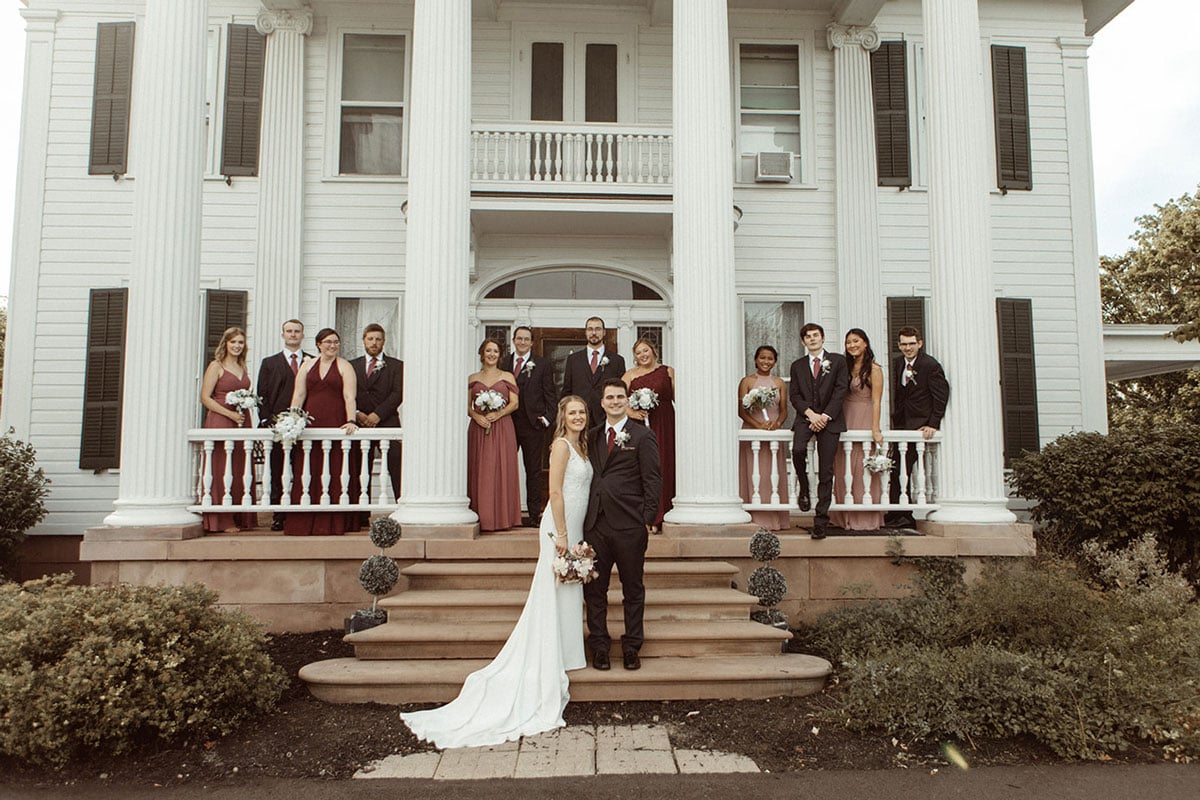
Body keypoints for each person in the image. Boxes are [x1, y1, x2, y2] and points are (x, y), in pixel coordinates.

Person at [402, 397, 592, 749]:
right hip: (560, 525)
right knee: (555, 586)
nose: (578, 417)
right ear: (563, 418)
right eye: (572, 413)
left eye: (582, 412)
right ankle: (555, 653)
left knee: (569, 588)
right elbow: (554, 491)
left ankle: (568, 653)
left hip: (576, 525)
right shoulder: (562, 446)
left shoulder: (582, 446)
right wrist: (563, 534)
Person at [584, 379, 662, 671]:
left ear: (627, 401)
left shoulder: (642, 436)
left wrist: (647, 519)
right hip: (596, 524)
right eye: (610, 397)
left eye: (620, 397)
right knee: (595, 591)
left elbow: (653, 479)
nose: (615, 402)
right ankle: (600, 647)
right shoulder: (590, 437)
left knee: (633, 588)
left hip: (630, 524)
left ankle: (631, 647)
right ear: (602, 403)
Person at [284, 328, 361, 536]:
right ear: (319, 344)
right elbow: (299, 394)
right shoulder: (307, 366)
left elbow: (349, 397)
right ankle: (304, 521)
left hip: (335, 420)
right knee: (309, 468)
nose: (332, 346)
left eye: (336, 342)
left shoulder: (345, 366)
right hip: (311, 423)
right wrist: (292, 421)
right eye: (328, 342)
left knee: (335, 466)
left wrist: (351, 420)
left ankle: (333, 522)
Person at [789, 322, 849, 540]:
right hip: (807, 418)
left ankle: (821, 520)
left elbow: (841, 389)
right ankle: (804, 488)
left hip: (830, 420)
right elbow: (794, 395)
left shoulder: (838, 361)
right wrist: (810, 414)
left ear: (822, 338)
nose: (812, 339)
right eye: (808, 336)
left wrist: (824, 416)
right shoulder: (797, 366)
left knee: (826, 470)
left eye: (816, 335)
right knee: (797, 450)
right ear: (803, 341)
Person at [885, 326, 949, 530]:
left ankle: (905, 515)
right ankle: (896, 512)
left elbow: (941, 395)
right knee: (895, 468)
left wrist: (933, 423)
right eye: (903, 344)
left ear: (919, 343)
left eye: (911, 343)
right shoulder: (897, 364)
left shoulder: (930, 365)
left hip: (919, 425)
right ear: (898, 345)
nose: (908, 348)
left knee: (905, 468)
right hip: (901, 424)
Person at [199, 327, 258, 533]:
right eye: (233, 342)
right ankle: (221, 520)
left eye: (240, 342)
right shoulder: (216, 366)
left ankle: (241, 516)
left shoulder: (242, 366)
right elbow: (205, 397)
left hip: (242, 419)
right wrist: (230, 414)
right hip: (222, 419)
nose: (237, 346)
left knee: (240, 466)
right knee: (222, 465)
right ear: (225, 343)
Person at [500, 326, 557, 527]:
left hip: (533, 425)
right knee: (505, 468)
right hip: (507, 423)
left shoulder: (542, 364)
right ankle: (505, 514)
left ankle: (534, 515)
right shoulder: (503, 362)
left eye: (526, 339)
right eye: (519, 338)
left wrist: (548, 418)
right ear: (514, 340)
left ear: (532, 342)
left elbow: (550, 392)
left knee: (533, 471)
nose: (522, 342)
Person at [257, 319, 311, 531]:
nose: (293, 334)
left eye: (297, 331)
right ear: (283, 335)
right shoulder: (270, 363)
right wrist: (270, 422)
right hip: (278, 427)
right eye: (289, 331)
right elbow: (263, 395)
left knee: (302, 470)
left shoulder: (311, 361)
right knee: (277, 470)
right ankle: (279, 514)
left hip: (305, 427)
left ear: (302, 335)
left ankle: (300, 512)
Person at [829, 329, 885, 532]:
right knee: (843, 466)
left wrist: (875, 428)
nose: (852, 345)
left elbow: (876, 401)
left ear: (865, 343)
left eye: (856, 341)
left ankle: (864, 518)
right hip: (844, 417)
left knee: (861, 465)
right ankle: (843, 517)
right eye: (848, 342)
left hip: (863, 415)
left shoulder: (874, 369)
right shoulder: (844, 367)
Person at [349, 324, 404, 518]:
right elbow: (347, 393)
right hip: (359, 422)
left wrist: (377, 415)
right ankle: (359, 516)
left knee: (396, 466)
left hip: (387, 422)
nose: (374, 343)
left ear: (384, 341)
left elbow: (398, 394)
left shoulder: (396, 365)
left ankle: (402, 509)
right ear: (363, 340)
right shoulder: (351, 365)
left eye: (378, 339)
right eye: (370, 339)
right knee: (358, 466)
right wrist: (357, 413)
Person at [467, 339, 522, 532]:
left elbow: (514, 403)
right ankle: (481, 515)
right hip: (479, 428)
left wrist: (497, 415)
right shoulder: (472, 378)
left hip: (502, 427)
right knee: (480, 468)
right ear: (482, 353)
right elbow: (467, 406)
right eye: (488, 350)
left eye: (495, 351)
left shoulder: (507, 376)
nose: (492, 354)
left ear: (500, 355)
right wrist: (477, 417)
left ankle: (503, 517)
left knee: (501, 467)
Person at [621, 338, 675, 526]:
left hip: (665, 424)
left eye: (646, 351)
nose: (643, 355)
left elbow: (680, 398)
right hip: (640, 427)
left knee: (664, 464)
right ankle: (646, 516)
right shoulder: (629, 375)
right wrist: (633, 413)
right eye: (638, 353)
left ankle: (664, 513)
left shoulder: (667, 372)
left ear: (653, 350)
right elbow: (618, 403)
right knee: (645, 468)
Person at [738, 345, 790, 531]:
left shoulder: (779, 383)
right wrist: (757, 425)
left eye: (769, 358)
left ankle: (774, 519)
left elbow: (784, 411)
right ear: (755, 359)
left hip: (773, 432)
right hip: (753, 430)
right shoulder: (747, 381)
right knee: (753, 471)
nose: (765, 362)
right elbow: (741, 411)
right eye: (762, 358)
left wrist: (776, 424)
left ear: (775, 361)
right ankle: (754, 517)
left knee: (772, 472)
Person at [561, 317, 626, 428]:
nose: (594, 333)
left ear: (604, 332)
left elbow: (620, 391)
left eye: (598, 329)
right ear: (586, 332)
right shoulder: (573, 359)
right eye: (590, 329)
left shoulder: (617, 360)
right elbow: (567, 390)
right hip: (580, 418)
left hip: (606, 417)